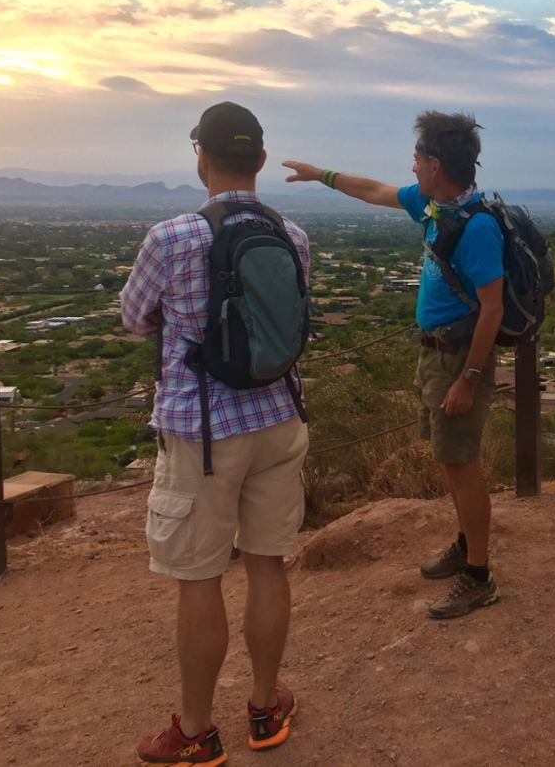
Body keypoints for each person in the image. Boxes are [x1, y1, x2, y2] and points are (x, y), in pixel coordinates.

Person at [123, 102, 310, 766]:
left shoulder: (170, 237)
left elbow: (136, 318)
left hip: (203, 433)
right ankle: (265, 705)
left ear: (199, 156)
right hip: (279, 420)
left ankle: (198, 733)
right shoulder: (291, 234)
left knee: (200, 580)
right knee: (267, 566)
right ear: (261, 160)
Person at [284, 110, 504, 620]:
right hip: (437, 356)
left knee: (464, 466)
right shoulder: (437, 207)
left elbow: (492, 309)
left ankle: (480, 576)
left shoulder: (477, 228)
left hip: (458, 360)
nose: (411, 167)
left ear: (435, 164)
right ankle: (465, 545)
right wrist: (323, 176)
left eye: (417, 158)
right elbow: (375, 191)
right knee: (450, 462)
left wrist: (469, 379)